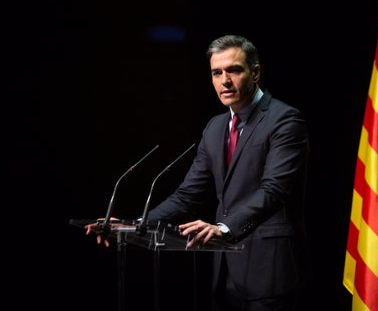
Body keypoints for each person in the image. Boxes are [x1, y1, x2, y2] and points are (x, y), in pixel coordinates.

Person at [87, 34, 311, 310]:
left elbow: (274, 190)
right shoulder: (215, 127)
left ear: (255, 73)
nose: (224, 81)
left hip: (270, 271)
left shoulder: (285, 120)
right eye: (217, 73)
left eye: (234, 70)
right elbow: (187, 195)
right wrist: (136, 226)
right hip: (225, 274)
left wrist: (223, 228)